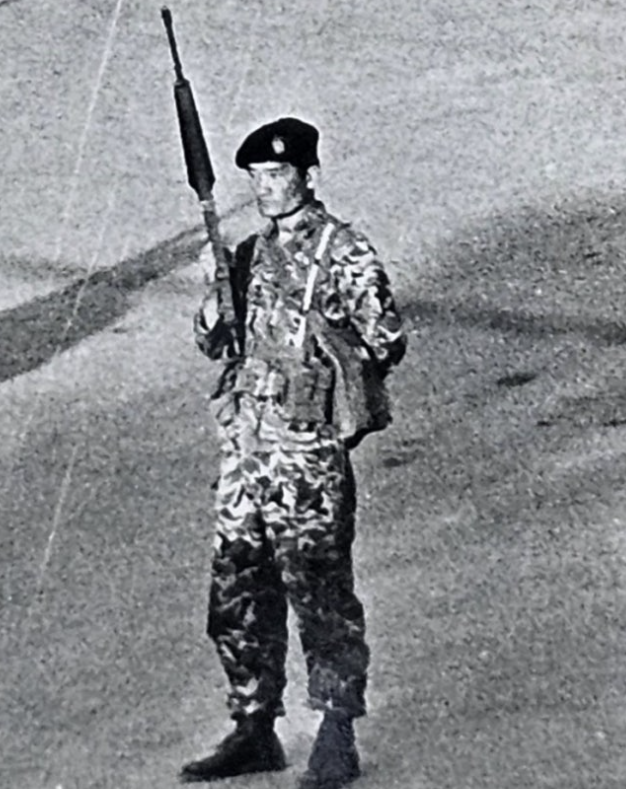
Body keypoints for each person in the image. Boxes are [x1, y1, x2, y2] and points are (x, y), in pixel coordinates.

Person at [181, 117, 406, 789]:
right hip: (248, 446)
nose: (265, 189)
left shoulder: (343, 251)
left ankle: (337, 729)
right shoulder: (248, 252)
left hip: (306, 451)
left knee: (318, 589)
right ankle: (254, 725)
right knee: (237, 585)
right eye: (256, 178)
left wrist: (322, 360)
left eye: (277, 175)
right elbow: (215, 344)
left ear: (308, 176)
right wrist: (214, 292)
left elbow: (385, 337)